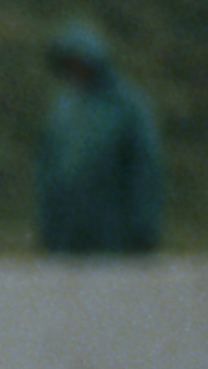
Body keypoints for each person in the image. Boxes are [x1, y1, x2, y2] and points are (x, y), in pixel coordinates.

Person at [36, 19, 163, 255]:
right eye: (69, 64)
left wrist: (144, 226)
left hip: (114, 231)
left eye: (80, 63)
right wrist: (47, 225)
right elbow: (48, 169)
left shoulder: (127, 106)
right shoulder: (63, 109)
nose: (75, 70)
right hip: (68, 233)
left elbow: (145, 168)